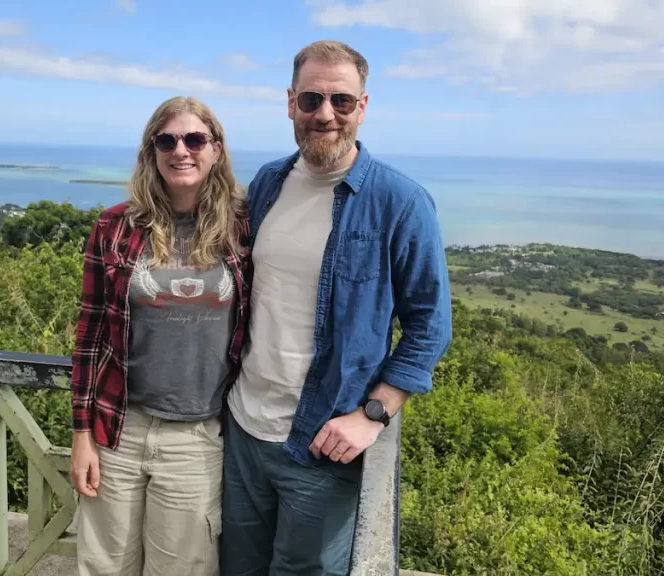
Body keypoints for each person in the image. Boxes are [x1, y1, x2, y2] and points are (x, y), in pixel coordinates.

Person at [221, 40, 453, 575]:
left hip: (322, 445)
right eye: (311, 100)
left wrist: (375, 413)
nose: (325, 114)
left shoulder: (400, 202)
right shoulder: (269, 184)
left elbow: (429, 324)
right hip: (243, 430)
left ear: (363, 107)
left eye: (341, 101)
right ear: (290, 104)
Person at [69, 96, 251, 576]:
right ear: (151, 151)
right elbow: (89, 335)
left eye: (194, 139)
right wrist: (82, 435)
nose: (181, 150)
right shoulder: (115, 226)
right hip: (118, 430)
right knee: (104, 567)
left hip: (197, 435)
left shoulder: (244, 228)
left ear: (215, 149)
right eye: (166, 140)